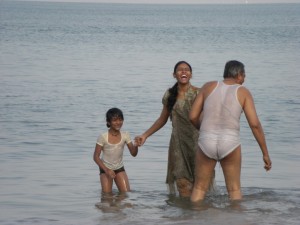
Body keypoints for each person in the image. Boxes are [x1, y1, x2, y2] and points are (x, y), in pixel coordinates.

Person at [189, 60, 272, 202]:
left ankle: (192, 220)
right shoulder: (243, 92)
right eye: (244, 76)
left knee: (199, 188)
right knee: (234, 190)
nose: (244, 80)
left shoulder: (208, 86)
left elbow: (192, 116)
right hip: (230, 142)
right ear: (239, 75)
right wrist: (265, 153)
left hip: (206, 140)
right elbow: (255, 125)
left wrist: (203, 130)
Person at [135, 61, 215, 197]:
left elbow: (209, 117)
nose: (183, 72)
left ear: (191, 74)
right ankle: (184, 216)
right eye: (180, 70)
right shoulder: (169, 95)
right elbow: (162, 119)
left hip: (198, 144)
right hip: (178, 145)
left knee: (201, 186)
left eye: (187, 70)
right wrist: (145, 135)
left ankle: (199, 216)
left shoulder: (198, 93)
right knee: (183, 185)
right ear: (174, 74)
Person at [93, 107, 138, 194]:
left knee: (126, 194)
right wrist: (107, 170)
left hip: (119, 168)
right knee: (107, 197)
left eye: (120, 120)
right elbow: (95, 157)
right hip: (105, 169)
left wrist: (136, 146)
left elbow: (133, 154)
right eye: (115, 120)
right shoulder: (103, 137)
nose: (118, 123)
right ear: (108, 122)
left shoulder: (125, 135)